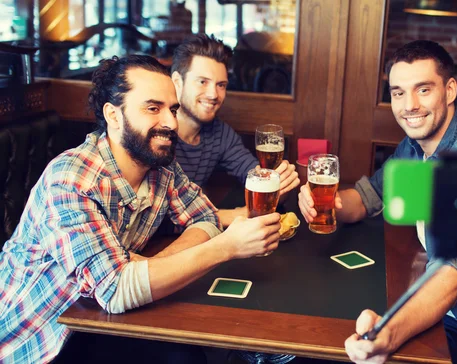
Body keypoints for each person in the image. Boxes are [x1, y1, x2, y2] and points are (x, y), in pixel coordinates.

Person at [0, 55, 281, 363]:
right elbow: (116, 290)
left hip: (97, 320)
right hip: (40, 339)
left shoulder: (160, 166)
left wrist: (150, 266)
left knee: (186, 356)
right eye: (152, 108)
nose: (171, 122)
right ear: (114, 115)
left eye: (172, 109)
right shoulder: (72, 179)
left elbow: (205, 216)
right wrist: (226, 248)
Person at [298, 40, 457, 364]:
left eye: (423, 89)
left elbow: (450, 272)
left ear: (449, 91)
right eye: (398, 92)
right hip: (424, 294)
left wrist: (388, 335)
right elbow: (368, 198)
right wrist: (326, 202)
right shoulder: (416, 144)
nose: (409, 105)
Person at [170, 34, 300, 226]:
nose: (213, 94)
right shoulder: (158, 134)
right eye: (202, 82)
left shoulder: (221, 134)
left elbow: (258, 181)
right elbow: (159, 216)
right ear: (177, 82)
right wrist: (237, 214)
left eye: (221, 85)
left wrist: (280, 185)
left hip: (192, 237)